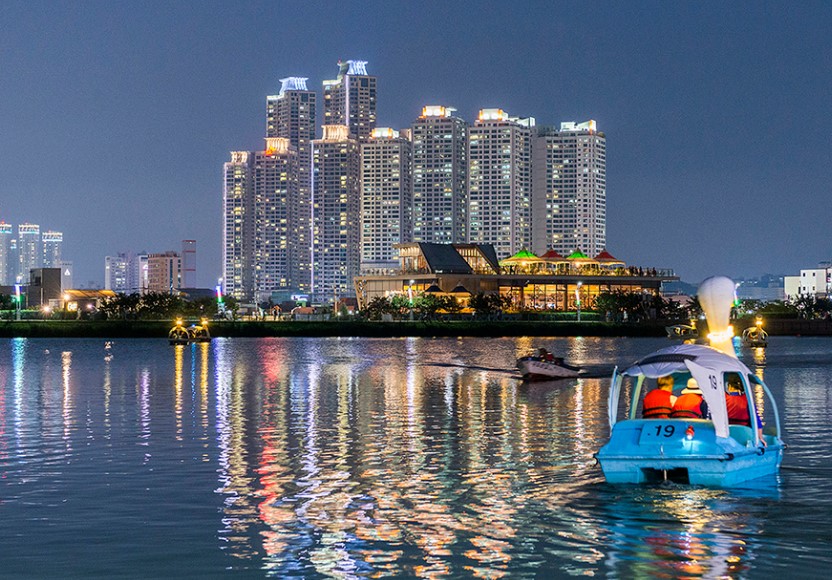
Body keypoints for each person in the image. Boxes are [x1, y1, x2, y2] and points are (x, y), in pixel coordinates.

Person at [725, 374, 767, 446]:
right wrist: (760, 438)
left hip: (727, 434)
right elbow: (757, 422)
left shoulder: (723, 399)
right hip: (745, 435)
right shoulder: (747, 401)